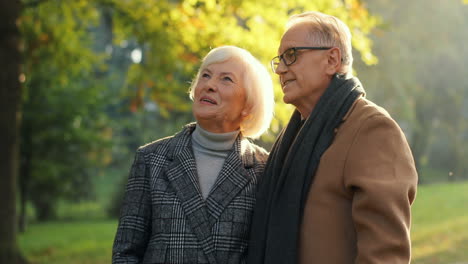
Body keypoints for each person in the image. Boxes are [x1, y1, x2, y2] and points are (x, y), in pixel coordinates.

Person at [247, 11, 418, 264]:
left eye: (292, 56)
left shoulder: (372, 129)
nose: (281, 69)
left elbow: (384, 254)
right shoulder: (294, 135)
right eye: (279, 60)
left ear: (331, 59)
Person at [112, 45, 274, 264]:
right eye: (205, 75)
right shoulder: (150, 159)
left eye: (226, 79)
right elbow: (125, 253)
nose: (209, 85)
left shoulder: (265, 168)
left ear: (248, 105)